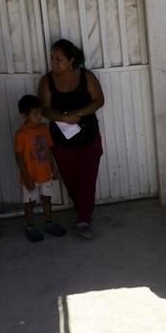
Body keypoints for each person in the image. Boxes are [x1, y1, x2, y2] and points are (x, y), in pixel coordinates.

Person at [38, 39, 105, 240]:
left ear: (71, 60)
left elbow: (99, 100)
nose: (54, 62)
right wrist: (62, 117)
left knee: (87, 178)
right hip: (61, 140)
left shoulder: (86, 76)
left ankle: (84, 219)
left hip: (89, 136)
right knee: (70, 178)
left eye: (58, 59)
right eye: (52, 58)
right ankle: (82, 210)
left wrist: (79, 113)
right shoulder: (46, 81)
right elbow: (45, 109)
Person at [14, 95, 67, 242]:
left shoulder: (44, 128)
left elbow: (49, 150)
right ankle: (30, 227)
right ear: (24, 115)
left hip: (45, 174)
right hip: (30, 176)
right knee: (29, 203)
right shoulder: (21, 134)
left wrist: (54, 168)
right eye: (35, 114)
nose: (39, 117)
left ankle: (49, 224)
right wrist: (26, 177)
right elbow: (18, 158)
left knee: (47, 199)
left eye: (40, 113)